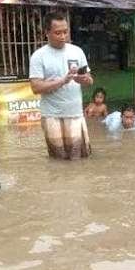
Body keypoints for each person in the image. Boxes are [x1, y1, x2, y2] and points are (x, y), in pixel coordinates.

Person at [29, 11, 93, 159]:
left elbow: (90, 80)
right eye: (58, 33)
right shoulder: (38, 56)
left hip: (75, 114)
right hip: (52, 116)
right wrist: (63, 81)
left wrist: (82, 79)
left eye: (65, 32)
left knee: (80, 158)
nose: (63, 36)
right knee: (58, 158)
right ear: (47, 32)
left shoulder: (77, 51)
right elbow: (35, 87)